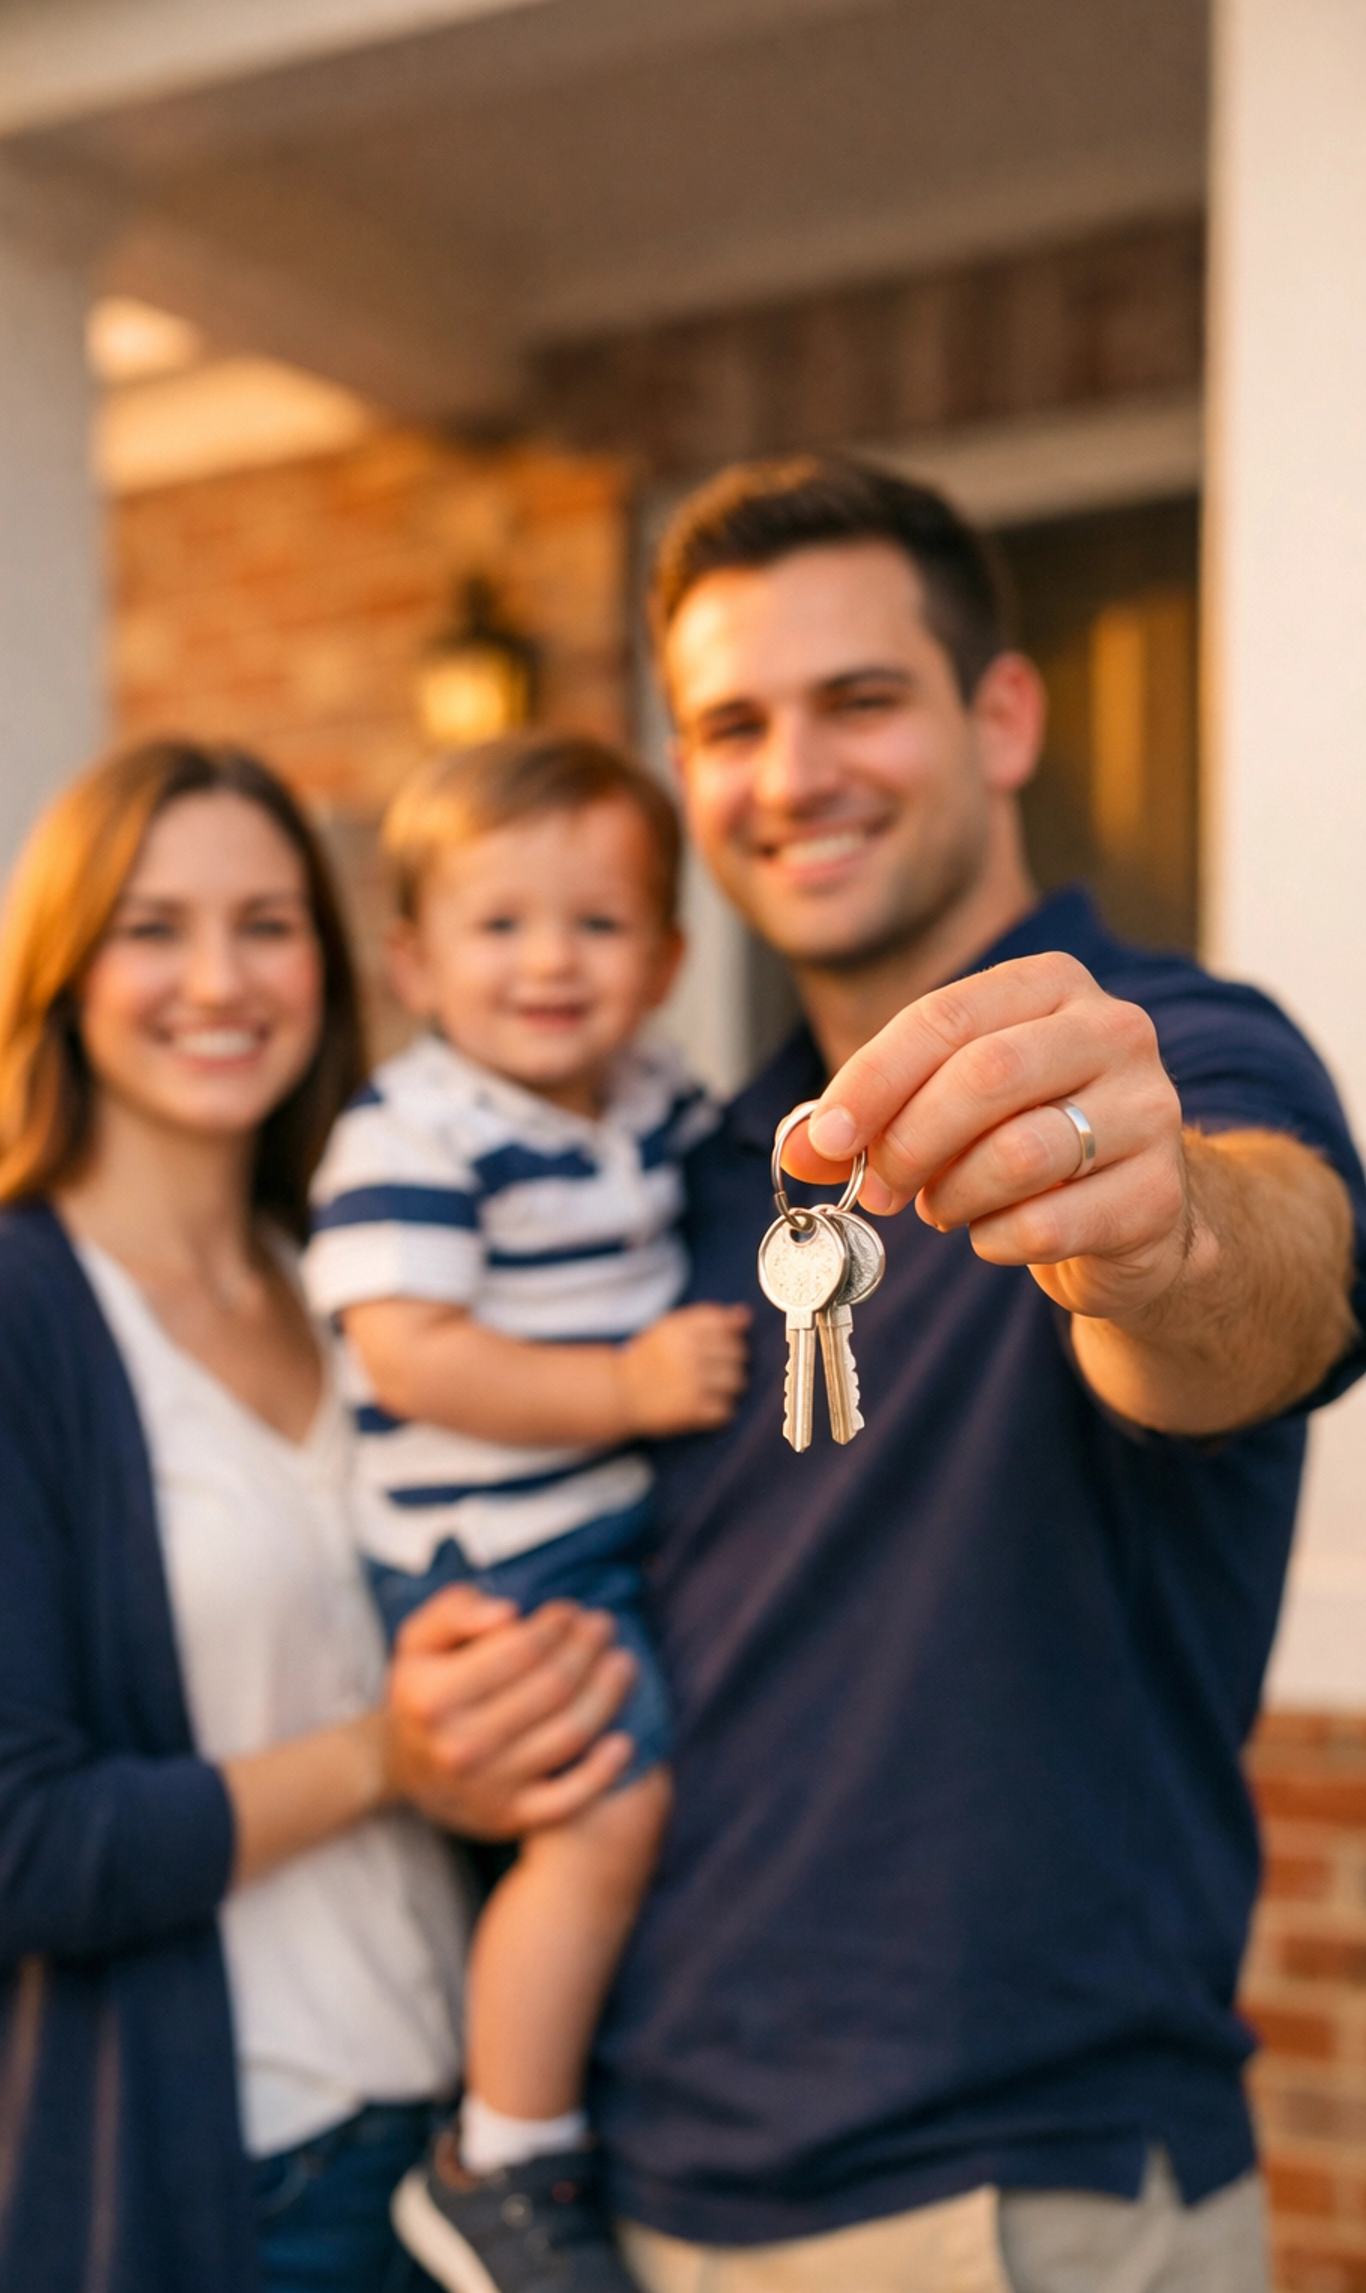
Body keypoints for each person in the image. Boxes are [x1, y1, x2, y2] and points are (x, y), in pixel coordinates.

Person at [558, 456, 1364, 2293]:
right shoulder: (690, 1167)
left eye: (858, 700)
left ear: (1003, 714)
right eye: (731, 724)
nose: (791, 775)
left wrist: (1161, 1244)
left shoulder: (1169, 1053)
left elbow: (1283, 1288)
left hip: (1013, 2203)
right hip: (645, 2189)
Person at [0, 739, 638, 2293]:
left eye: (268, 923)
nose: (219, 977)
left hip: (460, 2166)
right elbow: (8, 1852)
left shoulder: (364, 1279)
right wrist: (383, 1758)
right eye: (153, 928)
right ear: (64, 970)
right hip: (218, 2190)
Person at [302, 734, 749, 2293]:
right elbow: (407, 1353)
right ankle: (501, 2151)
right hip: (486, 1541)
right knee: (603, 1810)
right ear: (418, 961)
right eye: (500, 927)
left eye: (599, 924)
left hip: (583, 1523)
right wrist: (621, 1387)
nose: (550, 962)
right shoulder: (414, 1133)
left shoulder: (654, 1099)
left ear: (671, 957)